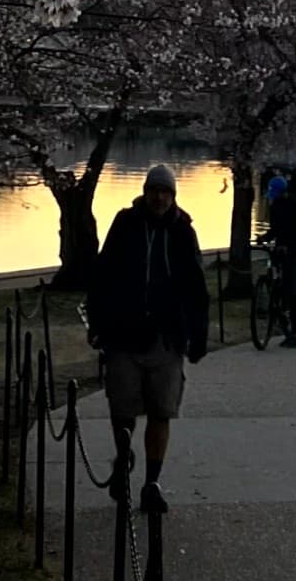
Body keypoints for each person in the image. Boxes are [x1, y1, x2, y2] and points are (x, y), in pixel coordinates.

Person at [87, 164, 210, 512]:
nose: (159, 197)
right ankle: (123, 463)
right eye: (154, 190)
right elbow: (103, 273)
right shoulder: (125, 224)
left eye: (165, 192)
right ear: (145, 192)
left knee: (162, 410)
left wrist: (198, 335)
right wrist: (98, 322)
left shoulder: (183, 232)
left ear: (173, 195)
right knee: (122, 408)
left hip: (166, 337)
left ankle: (152, 483)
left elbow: (196, 288)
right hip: (124, 334)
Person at [266, 175, 296, 346]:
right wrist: (264, 237)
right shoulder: (275, 208)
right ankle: (291, 328)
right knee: (286, 288)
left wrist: (290, 245)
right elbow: (275, 229)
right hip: (283, 251)